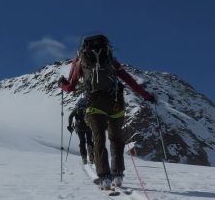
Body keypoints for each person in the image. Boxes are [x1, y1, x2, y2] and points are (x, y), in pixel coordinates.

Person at [59, 34, 156, 189]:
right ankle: (118, 175)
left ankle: (104, 177)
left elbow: (70, 87)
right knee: (116, 139)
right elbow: (130, 81)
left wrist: (61, 84)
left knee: (98, 139)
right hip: (115, 102)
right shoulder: (111, 60)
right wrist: (148, 96)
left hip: (95, 103)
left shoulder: (80, 61)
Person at [68, 96, 94, 165]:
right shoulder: (88, 107)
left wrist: (70, 126)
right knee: (89, 141)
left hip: (79, 127)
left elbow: (70, 117)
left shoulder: (76, 109)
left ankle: (84, 158)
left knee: (82, 142)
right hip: (88, 127)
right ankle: (91, 156)